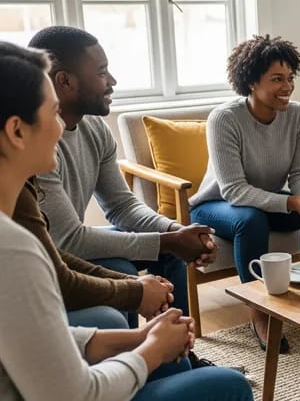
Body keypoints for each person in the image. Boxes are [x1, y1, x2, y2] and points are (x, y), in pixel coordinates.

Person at [0, 40, 255, 401]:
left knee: (153, 264)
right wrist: (149, 350)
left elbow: (36, 339)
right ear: (16, 131)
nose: (59, 125)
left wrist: (137, 339)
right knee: (229, 391)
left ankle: (180, 362)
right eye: (50, 112)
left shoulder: (15, 236)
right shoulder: (12, 250)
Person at [28, 26, 217, 328]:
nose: (112, 81)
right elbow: (68, 241)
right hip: (47, 259)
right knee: (124, 264)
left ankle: (180, 349)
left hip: (69, 247)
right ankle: (139, 357)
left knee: (169, 254)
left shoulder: (95, 128)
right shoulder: (34, 145)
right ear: (64, 81)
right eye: (102, 73)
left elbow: (121, 206)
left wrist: (174, 230)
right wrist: (168, 240)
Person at [190, 35, 300, 354]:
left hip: (265, 200)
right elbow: (234, 190)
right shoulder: (224, 119)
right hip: (216, 205)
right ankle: (260, 312)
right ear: (252, 81)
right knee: (251, 220)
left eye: (290, 77)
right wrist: (290, 202)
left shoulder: (297, 115)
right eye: (277, 79)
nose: (287, 86)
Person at [14, 176, 175, 329]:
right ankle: (145, 350)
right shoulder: (16, 194)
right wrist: (136, 293)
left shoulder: (22, 187)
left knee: (165, 251)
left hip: (30, 290)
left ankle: (166, 349)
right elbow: (64, 270)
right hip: (16, 310)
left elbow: (51, 256)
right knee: (110, 319)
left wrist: (134, 283)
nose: (57, 146)